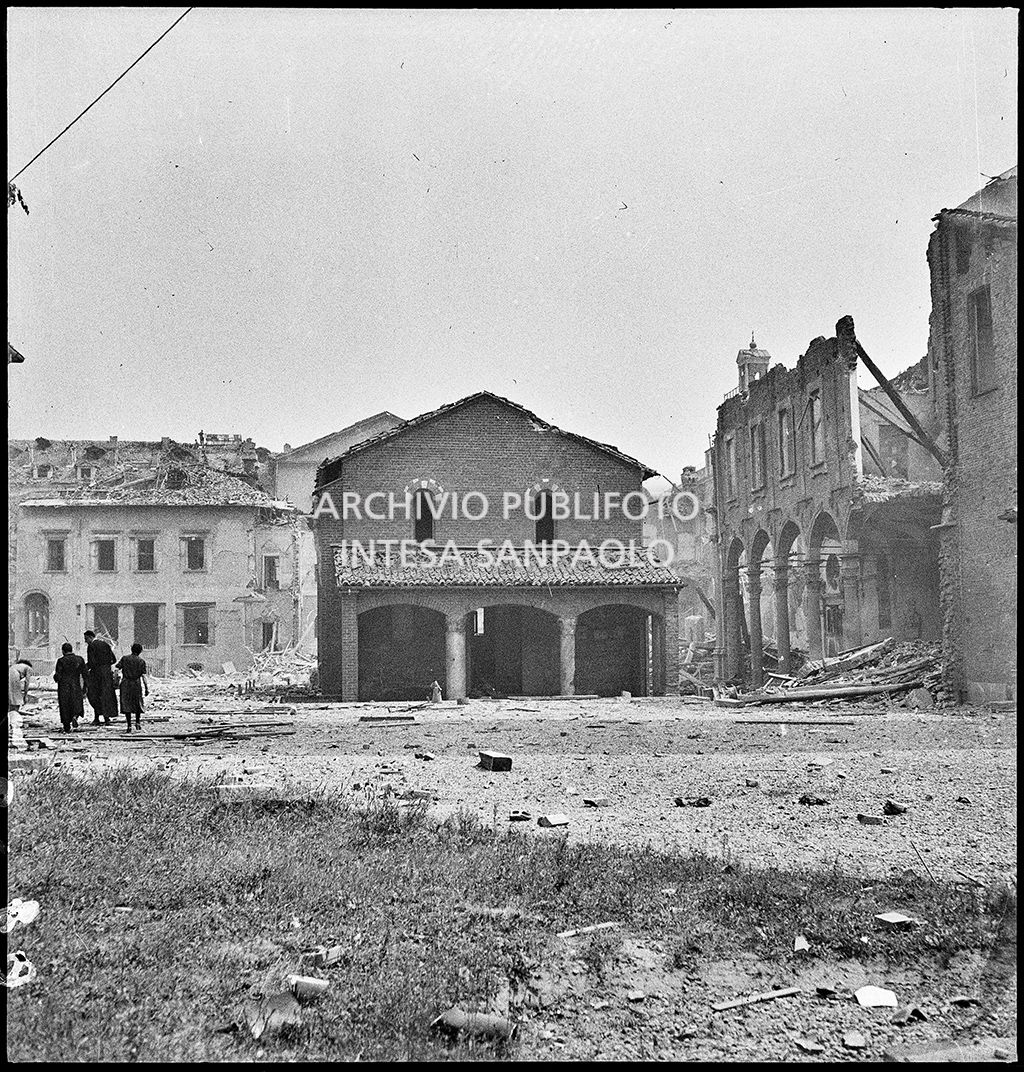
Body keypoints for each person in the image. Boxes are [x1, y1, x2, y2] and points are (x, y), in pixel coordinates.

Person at [84, 630, 118, 725]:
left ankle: (96, 718)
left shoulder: (91, 646)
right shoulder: (105, 644)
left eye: (86, 639)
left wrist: (84, 668)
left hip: (96, 674)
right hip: (107, 674)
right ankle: (107, 718)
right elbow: (114, 660)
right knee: (106, 695)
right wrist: (106, 665)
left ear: (90, 637)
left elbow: (91, 662)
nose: (86, 641)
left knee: (94, 695)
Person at [53, 643, 88, 733]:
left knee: (65, 705)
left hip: (64, 686)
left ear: (63, 651)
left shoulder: (61, 661)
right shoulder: (79, 659)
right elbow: (85, 674)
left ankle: (67, 726)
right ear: (72, 649)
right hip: (76, 685)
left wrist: (56, 678)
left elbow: (58, 675)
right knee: (77, 703)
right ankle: (75, 716)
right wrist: (85, 686)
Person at [115, 643, 149, 733]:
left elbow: (117, 667)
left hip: (125, 683)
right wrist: (146, 688)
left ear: (131, 650)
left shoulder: (125, 658)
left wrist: (116, 680)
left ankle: (129, 725)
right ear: (140, 651)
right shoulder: (141, 661)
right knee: (137, 702)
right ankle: (137, 722)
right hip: (136, 683)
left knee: (126, 704)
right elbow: (144, 676)